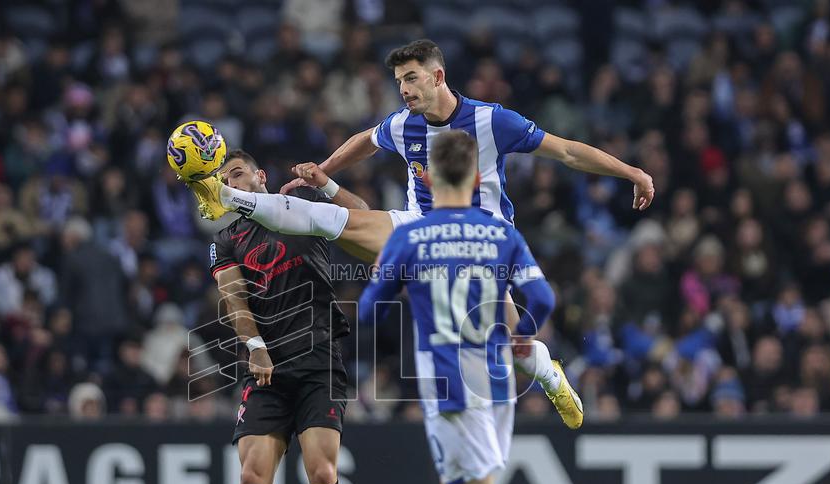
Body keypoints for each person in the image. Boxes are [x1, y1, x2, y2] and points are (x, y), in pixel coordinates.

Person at [188, 39, 622, 429]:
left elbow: (566, 151)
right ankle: (225, 196)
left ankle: (551, 376)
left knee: (515, 347)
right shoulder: (404, 124)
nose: (405, 90)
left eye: (411, 79)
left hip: (480, 242)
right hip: (419, 228)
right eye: (399, 82)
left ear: (437, 76)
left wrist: (631, 173)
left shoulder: (491, 122)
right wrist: (325, 172)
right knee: (330, 219)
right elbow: (366, 139)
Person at [358, 130, 573, 484]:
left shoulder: (410, 236)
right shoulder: (502, 233)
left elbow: (368, 312)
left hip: (450, 378)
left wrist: (392, 278)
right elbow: (542, 298)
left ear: (427, 177)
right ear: (478, 178)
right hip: (498, 374)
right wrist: (522, 338)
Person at [206, 150, 357, 484]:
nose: (230, 182)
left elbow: (362, 220)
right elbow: (234, 300)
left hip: (317, 360)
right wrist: (255, 346)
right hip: (266, 366)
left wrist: (324, 185)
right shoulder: (226, 238)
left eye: (236, 173)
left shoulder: (300, 209)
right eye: (222, 179)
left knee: (323, 470)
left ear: (260, 177)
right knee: (252, 475)